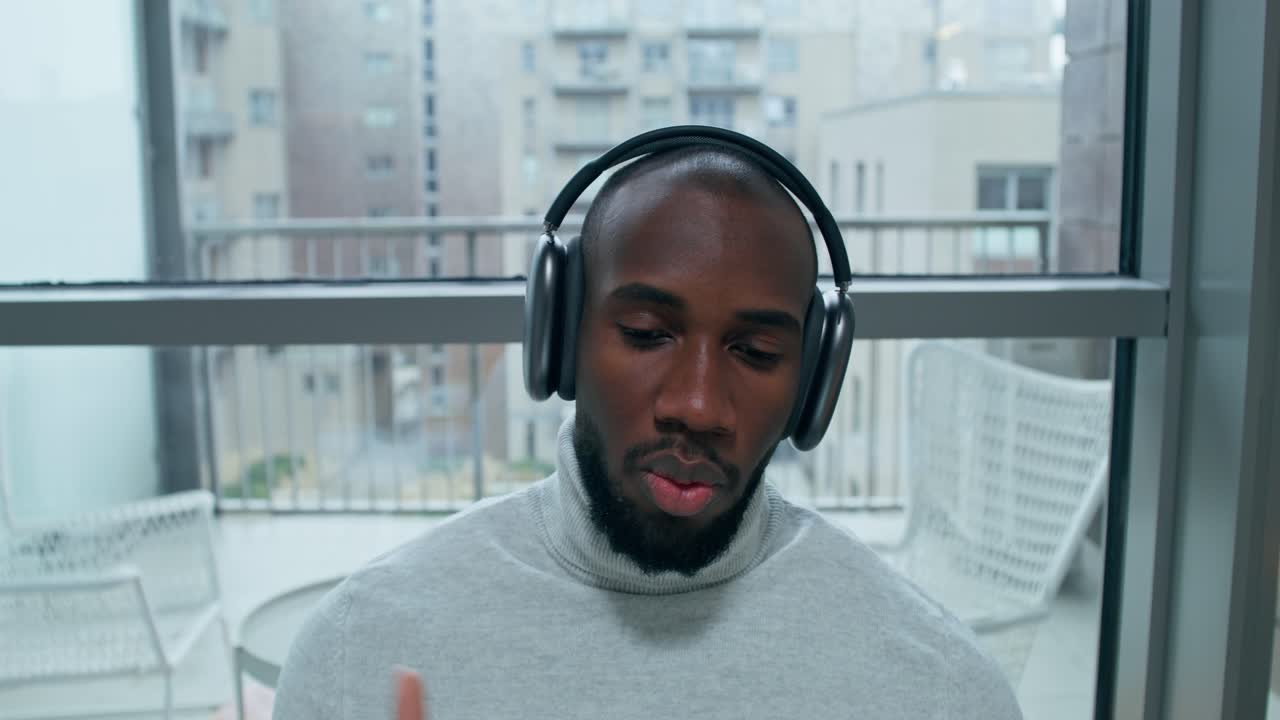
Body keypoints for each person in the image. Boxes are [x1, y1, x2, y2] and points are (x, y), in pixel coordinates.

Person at [273, 141, 1022, 720]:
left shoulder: (939, 690)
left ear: (811, 384)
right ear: (560, 338)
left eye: (756, 353)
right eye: (645, 332)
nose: (698, 406)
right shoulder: (360, 651)